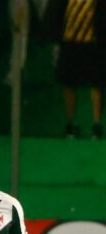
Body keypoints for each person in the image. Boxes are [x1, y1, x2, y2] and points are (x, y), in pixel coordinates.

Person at [45, 0, 106, 139]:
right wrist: (56, 38)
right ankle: (70, 124)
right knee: (69, 84)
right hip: (69, 43)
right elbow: (56, 13)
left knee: (96, 84)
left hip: (93, 43)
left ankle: (96, 125)